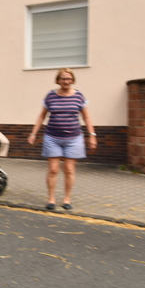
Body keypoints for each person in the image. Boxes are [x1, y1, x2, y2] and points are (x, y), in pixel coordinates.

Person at [27, 67, 97, 211]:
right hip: (52, 137)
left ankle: (67, 199)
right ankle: (51, 199)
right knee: (53, 169)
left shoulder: (79, 96)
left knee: (69, 169)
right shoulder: (51, 96)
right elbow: (42, 116)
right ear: (58, 80)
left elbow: (86, 117)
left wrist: (92, 135)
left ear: (73, 80)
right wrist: (33, 133)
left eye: (69, 78)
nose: (66, 81)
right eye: (63, 78)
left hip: (74, 138)